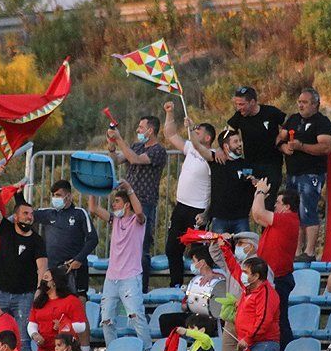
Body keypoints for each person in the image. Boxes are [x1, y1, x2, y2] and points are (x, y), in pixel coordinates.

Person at [0, 164, 48, 351]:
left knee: (24, 339)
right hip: (1, 294)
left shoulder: (37, 240)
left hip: (25, 297)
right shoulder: (6, 229)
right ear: (16, 216)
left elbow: (42, 269)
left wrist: (39, 291)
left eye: (31, 214)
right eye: (25, 213)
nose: (30, 217)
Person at [88, 181, 152, 351]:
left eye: (116, 201)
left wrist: (129, 189)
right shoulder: (114, 220)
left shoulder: (138, 221)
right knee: (107, 319)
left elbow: (139, 212)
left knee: (136, 316)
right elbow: (93, 208)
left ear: (126, 204)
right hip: (111, 278)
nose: (113, 204)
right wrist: (92, 186)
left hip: (130, 277)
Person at [107, 115, 167, 293]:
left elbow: (135, 159)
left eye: (141, 128)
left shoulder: (158, 150)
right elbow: (117, 160)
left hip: (145, 202)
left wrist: (119, 139)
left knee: (142, 248)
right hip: (127, 205)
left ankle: (142, 289)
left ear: (151, 130)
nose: (138, 131)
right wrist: (111, 144)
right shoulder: (136, 145)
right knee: (123, 244)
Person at [279, 88, 331, 262]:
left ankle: (310, 251)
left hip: (311, 173)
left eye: (304, 102)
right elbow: (279, 138)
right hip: (292, 173)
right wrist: (284, 148)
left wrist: (301, 146)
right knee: (293, 211)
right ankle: (297, 251)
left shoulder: (322, 122)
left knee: (308, 211)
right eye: (299, 101)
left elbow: (326, 146)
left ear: (315, 104)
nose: (300, 105)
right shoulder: (293, 119)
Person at [162, 101, 215, 287]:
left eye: (198, 132)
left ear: (207, 138)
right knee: (172, 248)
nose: (194, 134)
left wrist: (207, 213)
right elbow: (170, 134)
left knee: (198, 250)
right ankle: (176, 284)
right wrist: (170, 113)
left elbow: (215, 189)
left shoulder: (212, 156)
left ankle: (201, 284)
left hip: (198, 210)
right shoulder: (190, 148)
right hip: (181, 206)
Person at [209, 232, 270, 351]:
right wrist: (216, 240)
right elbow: (215, 254)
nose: (237, 247)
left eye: (241, 244)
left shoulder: (262, 268)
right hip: (232, 319)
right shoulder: (234, 263)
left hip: (252, 322)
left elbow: (267, 293)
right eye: (236, 244)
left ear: (251, 246)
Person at [251, 179, 299, 351]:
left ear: (287, 207)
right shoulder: (283, 220)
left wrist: (261, 192)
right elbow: (256, 215)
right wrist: (259, 194)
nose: (276, 206)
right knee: (276, 318)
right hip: (273, 276)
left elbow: (258, 211)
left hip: (278, 277)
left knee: (279, 320)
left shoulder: (287, 220)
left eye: (278, 203)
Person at [29, 179, 98, 298]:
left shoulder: (80, 213)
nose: (55, 198)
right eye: (53, 195)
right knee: (51, 303)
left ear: (69, 196)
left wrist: (79, 259)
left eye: (58, 195)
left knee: (78, 304)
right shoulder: (48, 213)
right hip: (53, 270)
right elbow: (26, 214)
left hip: (75, 269)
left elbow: (93, 239)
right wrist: (18, 194)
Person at [190, 129, 256, 234]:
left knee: (242, 250)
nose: (240, 144)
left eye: (240, 141)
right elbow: (197, 146)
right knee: (218, 249)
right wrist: (191, 129)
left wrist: (255, 182)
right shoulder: (216, 160)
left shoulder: (245, 164)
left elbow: (251, 182)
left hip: (241, 218)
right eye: (235, 141)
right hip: (220, 219)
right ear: (226, 146)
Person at [223, 86, 286, 196]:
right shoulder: (239, 116)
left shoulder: (270, 112)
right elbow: (227, 134)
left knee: (268, 199)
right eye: (237, 104)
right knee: (247, 196)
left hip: (272, 166)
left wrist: (281, 138)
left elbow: (289, 125)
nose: (238, 108)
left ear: (252, 102)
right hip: (249, 165)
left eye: (241, 104)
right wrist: (221, 148)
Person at [28, 268, 87, 351]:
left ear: (54, 282)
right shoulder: (39, 302)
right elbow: (32, 324)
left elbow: (81, 326)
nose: (43, 281)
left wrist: (63, 326)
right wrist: (35, 335)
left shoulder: (72, 301)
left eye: (46, 278)